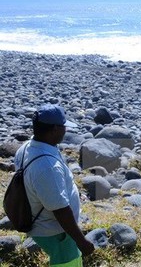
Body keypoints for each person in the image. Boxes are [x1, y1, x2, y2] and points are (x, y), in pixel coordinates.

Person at [14, 104, 94, 266]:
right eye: (64, 127)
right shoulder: (47, 167)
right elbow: (60, 210)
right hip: (56, 232)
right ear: (54, 129)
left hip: (41, 222)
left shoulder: (26, 148)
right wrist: (81, 241)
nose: (66, 130)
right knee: (68, 263)